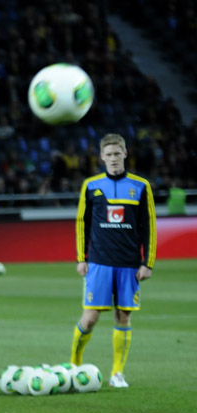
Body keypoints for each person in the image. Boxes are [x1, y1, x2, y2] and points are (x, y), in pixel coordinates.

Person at [71, 133, 156, 388]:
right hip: (99, 262)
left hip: (129, 263)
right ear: (102, 157)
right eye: (108, 154)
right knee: (90, 318)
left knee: (123, 316)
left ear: (125, 154)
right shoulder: (91, 185)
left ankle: (117, 373)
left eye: (117, 153)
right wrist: (81, 258)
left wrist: (147, 263)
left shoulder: (141, 186)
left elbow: (149, 226)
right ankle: (74, 364)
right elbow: (82, 223)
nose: (114, 158)